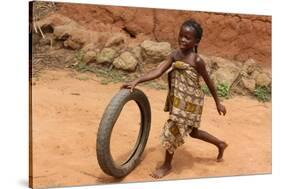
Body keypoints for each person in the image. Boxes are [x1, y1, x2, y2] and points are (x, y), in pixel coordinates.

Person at [121, 19, 228, 179]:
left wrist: (218, 102)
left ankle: (166, 165)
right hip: (178, 99)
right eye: (181, 36)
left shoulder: (197, 60)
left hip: (191, 101)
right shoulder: (175, 55)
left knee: (173, 129)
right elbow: (158, 71)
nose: (183, 40)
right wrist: (137, 81)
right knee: (193, 132)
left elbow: (209, 81)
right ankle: (220, 144)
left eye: (188, 37)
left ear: (196, 41)